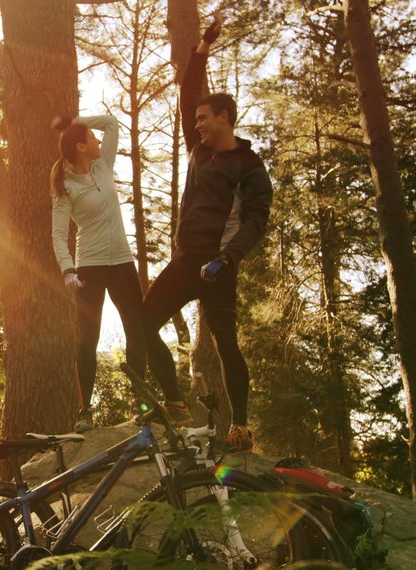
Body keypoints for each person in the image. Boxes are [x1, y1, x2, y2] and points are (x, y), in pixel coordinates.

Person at [143, 15, 273, 453]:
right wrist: (203, 44)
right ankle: (176, 404)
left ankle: (240, 427)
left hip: (219, 267)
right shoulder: (198, 149)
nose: (196, 123)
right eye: (195, 119)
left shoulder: (249, 167)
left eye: (204, 118)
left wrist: (228, 258)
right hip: (185, 262)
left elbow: (256, 219)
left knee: (226, 347)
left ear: (225, 117)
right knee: (142, 325)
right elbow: (186, 91)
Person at [50, 114, 146, 433]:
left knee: (137, 330)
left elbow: (113, 124)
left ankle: (141, 405)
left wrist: (75, 120)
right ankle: (84, 413)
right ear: (81, 147)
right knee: (87, 339)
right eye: (90, 137)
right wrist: (67, 270)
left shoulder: (103, 163)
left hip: (121, 262)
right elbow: (57, 234)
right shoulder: (64, 186)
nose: (97, 140)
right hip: (89, 267)